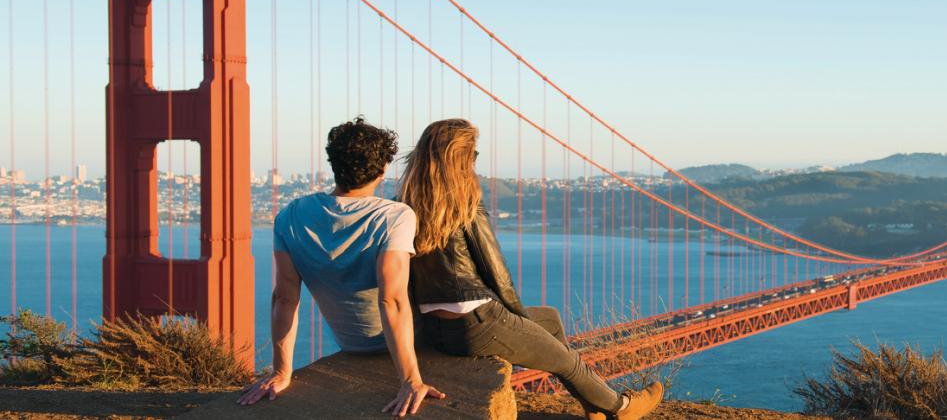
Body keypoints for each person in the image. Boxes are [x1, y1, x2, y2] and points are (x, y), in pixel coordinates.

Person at [399, 118, 663, 420]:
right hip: (477, 322)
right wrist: (519, 321)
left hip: (437, 328)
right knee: (566, 360)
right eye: (473, 156)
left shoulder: (405, 205)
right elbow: (497, 274)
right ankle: (623, 408)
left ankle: (593, 405)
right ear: (461, 159)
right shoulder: (465, 206)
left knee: (549, 319)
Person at [238, 117, 444, 417]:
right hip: (416, 340)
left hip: (352, 344)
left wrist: (282, 372)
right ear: (383, 168)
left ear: (333, 163)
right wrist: (411, 381)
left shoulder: (290, 215)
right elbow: (392, 300)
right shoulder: (395, 216)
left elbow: (284, 298)